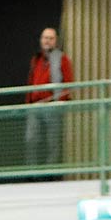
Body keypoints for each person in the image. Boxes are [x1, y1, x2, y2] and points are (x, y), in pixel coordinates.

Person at [25, 27, 74, 173]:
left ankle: (50, 172)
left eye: (50, 38)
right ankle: (32, 172)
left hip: (52, 104)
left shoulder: (62, 58)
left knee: (53, 141)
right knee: (31, 139)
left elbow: (68, 82)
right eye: (45, 38)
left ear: (55, 41)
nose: (47, 41)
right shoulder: (36, 59)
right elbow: (31, 80)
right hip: (35, 105)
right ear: (41, 40)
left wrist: (61, 100)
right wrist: (28, 102)